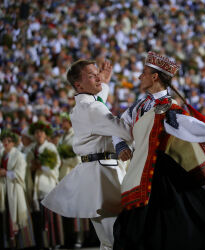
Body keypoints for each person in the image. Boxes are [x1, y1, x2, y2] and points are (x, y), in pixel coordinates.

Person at [113, 51, 205, 250]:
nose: (139, 76)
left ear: (155, 77)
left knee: (171, 224)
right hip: (138, 172)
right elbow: (118, 127)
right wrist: (120, 144)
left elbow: (188, 124)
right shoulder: (139, 106)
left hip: (158, 174)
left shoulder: (167, 107)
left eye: (144, 72)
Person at [41, 59, 131, 250]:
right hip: (103, 175)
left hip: (95, 173)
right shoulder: (92, 109)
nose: (98, 76)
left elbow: (99, 101)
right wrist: (145, 115)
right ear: (78, 85)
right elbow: (125, 131)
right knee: (116, 239)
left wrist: (103, 82)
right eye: (91, 76)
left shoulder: (86, 105)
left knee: (109, 240)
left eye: (97, 72)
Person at [26, 121, 63, 248]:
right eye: (36, 133)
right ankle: (42, 243)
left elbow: (55, 166)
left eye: (41, 132)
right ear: (34, 135)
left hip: (47, 185)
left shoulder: (50, 147)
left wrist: (40, 166)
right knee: (39, 217)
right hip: (35, 186)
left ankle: (54, 242)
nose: (39, 135)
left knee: (50, 217)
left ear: (45, 135)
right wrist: (32, 167)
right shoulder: (31, 149)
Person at [57, 112, 89, 248]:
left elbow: (78, 159)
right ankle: (68, 239)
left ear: (69, 122)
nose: (62, 123)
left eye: (64, 121)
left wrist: (64, 160)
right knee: (66, 209)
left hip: (73, 175)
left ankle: (80, 238)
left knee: (77, 209)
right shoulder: (62, 138)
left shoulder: (75, 136)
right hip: (63, 176)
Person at [0, 130, 35, 249]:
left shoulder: (18, 155)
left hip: (15, 190)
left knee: (18, 216)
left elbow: (20, 173)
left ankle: (21, 244)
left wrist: (6, 173)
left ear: (13, 143)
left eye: (8, 141)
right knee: (5, 215)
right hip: (4, 189)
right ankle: (8, 243)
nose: (6, 143)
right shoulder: (1, 154)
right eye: (4, 140)